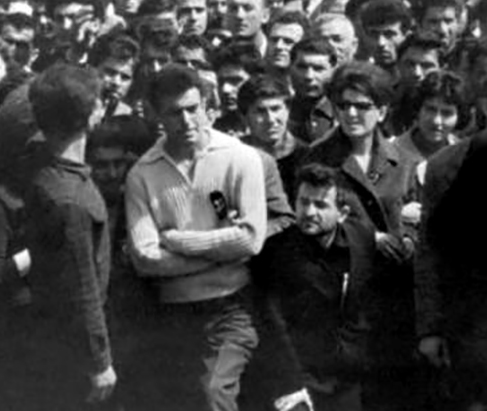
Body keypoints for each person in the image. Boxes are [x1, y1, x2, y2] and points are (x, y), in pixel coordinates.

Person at [125, 64, 266, 411]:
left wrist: (177, 241)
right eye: (175, 113)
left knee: (213, 392)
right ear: (157, 115)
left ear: (207, 107)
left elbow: (250, 241)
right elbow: (144, 259)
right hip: (172, 314)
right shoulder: (142, 174)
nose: (187, 122)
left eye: (193, 109)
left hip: (231, 308)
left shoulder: (241, 158)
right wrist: (222, 248)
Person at [303, 62, 421, 411]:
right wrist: (371, 238)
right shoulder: (320, 155)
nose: (351, 113)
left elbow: (414, 213)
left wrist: (408, 239)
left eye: (362, 105)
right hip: (345, 300)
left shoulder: (402, 159)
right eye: (343, 105)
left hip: (396, 299)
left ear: (382, 110)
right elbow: (312, 221)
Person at [22, 64, 116, 410]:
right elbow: (83, 287)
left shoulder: (48, 171)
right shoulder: (69, 199)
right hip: (72, 353)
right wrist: (100, 361)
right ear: (91, 116)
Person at [256, 163, 375, 411]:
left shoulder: (360, 238)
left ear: (342, 213)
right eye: (303, 202)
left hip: (346, 375)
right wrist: (294, 384)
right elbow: (273, 324)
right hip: (295, 375)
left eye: (321, 205)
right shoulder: (275, 252)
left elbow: (364, 303)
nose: (309, 212)